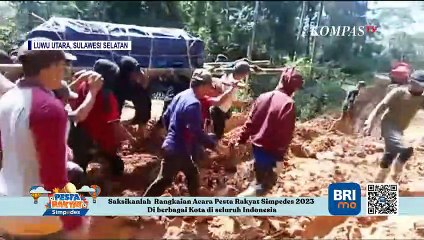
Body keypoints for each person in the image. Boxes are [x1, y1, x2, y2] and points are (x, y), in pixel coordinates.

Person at [0, 42, 86, 238]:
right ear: (52, 67)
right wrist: (74, 220)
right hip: (39, 213)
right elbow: (53, 177)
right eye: (63, 65)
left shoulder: (6, 100)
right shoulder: (49, 107)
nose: (65, 71)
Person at [143, 70, 219, 197]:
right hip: (177, 149)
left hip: (176, 146)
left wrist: (171, 133)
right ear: (203, 85)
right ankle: (141, 207)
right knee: (164, 180)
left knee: (191, 173)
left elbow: (166, 116)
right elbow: (196, 132)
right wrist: (214, 146)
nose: (209, 90)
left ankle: (194, 204)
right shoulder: (193, 104)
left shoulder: (182, 95)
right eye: (209, 86)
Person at [234, 67, 304, 197]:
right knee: (265, 184)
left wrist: (241, 140)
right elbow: (285, 135)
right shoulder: (288, 104)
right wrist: (280, 158)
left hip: (257, 148)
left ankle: (252, 207)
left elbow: (250, 122)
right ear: (294, 88)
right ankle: (239, 204)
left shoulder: (263, 97)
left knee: (260, 178)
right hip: (271, 151)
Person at [69, 59, 136, 177]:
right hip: (102, 139)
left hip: (81, 137)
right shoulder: (108, 97)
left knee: (80, 167)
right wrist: (130, 138)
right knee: (117, 166)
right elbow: (115, 125)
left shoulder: (81, 86)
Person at [363, 70, 424, 183]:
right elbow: (381, 107)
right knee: (406, 150)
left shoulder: (421, 98)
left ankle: (379, 182)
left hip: (400, 128)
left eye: (421, 86)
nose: (418, 88)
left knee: (390, 155)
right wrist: (370, 121)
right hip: (388, 125)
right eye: (416, 84)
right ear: (410, 81)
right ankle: (395, 175)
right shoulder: (399, 92)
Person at [210, 61, 250, 139]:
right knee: (217, 134)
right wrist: (246, 104)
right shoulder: (229, 83)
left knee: (218, 133)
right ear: (243, 74)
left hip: (221, 110)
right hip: (218, 110)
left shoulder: (229, 78)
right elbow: (232, 101)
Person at [115, 56, 151, 130]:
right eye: (134, 74)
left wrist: (143, 86)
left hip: (130, 85)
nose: (136, 75)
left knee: (143, 97)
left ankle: (141, 120)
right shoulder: (118, 74)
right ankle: (115, 124)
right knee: (116, 104)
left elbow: (144, 80)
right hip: (118, 87)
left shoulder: (136, 69)